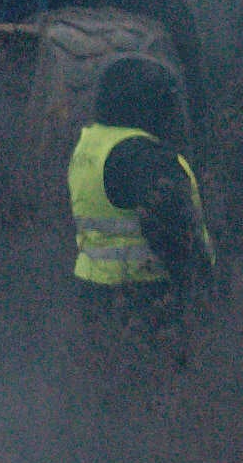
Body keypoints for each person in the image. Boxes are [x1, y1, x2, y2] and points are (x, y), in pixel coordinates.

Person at [66, 51, 211, 374]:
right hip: (147, 305)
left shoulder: (93, 143)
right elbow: (174, 233)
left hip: (96, 298)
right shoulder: (142, 157)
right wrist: (201, 291)